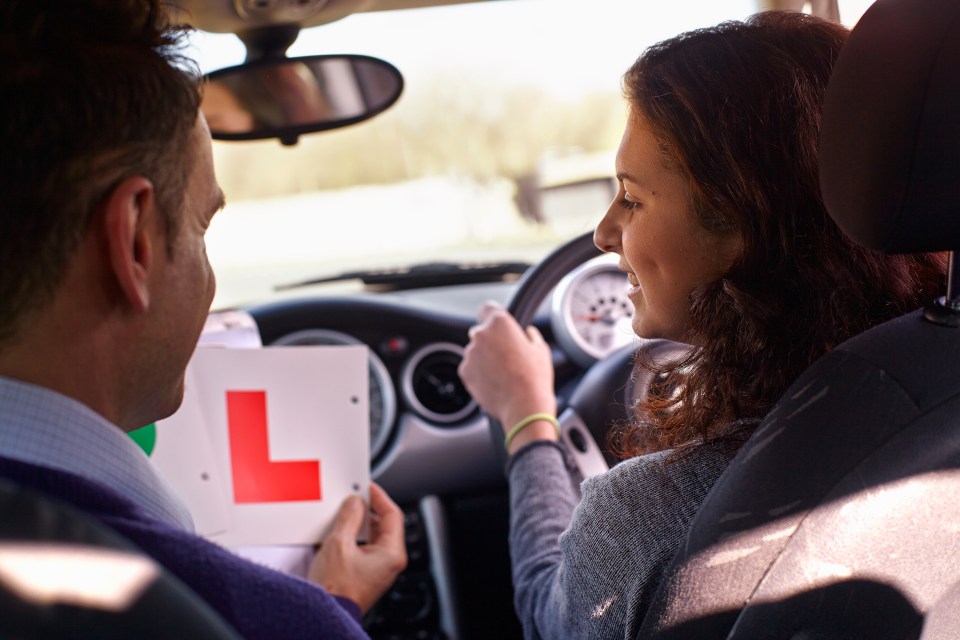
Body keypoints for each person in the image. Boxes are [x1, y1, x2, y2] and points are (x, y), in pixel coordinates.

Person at [458, 11, 948, 639]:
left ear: (744, 220)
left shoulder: (646, 516)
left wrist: (526, 418)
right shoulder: (938, 392)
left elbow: (547, 614)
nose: (605, 232)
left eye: (632, 198)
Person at [0, 1, 406, 638]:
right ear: (133, 243)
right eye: (200, 226)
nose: (209, 279)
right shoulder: (244, 616)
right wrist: (323, 612)